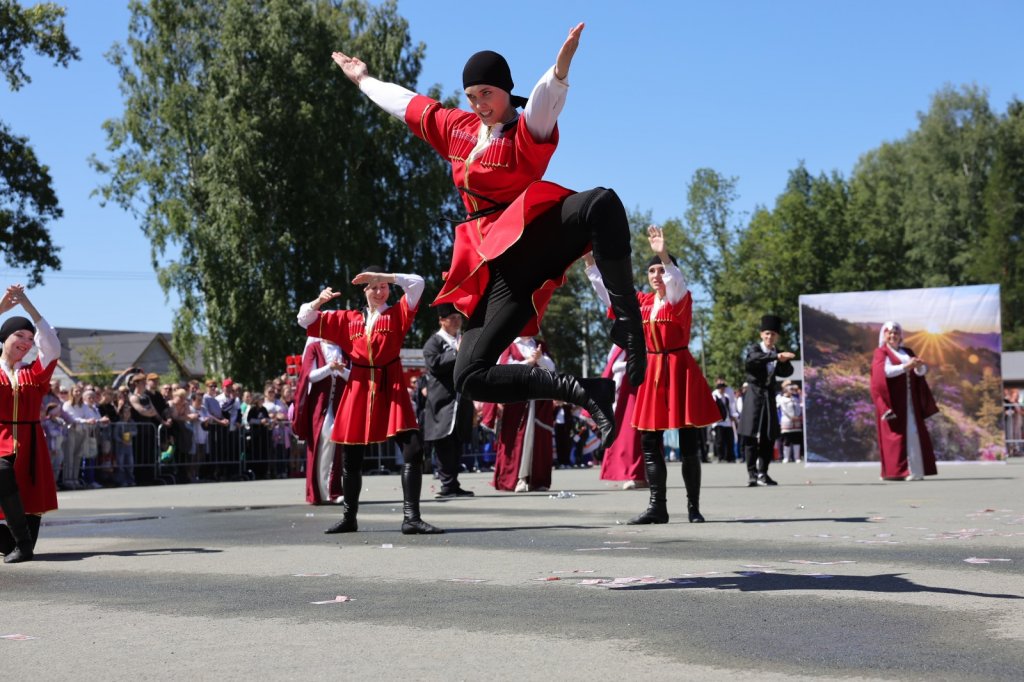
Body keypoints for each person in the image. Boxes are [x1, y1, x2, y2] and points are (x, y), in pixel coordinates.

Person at [330, 23, 642, 448]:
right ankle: (585, 392)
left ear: (504, 91)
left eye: (487, 94)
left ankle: (628, 323)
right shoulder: (457, 128)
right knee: (469, 376)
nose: (479, 104)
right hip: (496, 265)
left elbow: (545, 101)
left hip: (533, 233)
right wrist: (363, 79)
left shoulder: (523, 131)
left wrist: (561, 67)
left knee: (601, 203)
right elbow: (405, 104)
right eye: (472, 96)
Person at [585, 226, 720, 523]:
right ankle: (657, 506)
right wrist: (591, 264)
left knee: (688, 439)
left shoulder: (679, 297)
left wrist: (663, 254)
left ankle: (693, 507)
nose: (656, 275)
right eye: (652, 272)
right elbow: (612, 296)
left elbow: (676, 282)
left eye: (660, 270)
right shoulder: (643, 303)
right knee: (648, 440)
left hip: (679, 367)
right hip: (653, 369)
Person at [297, 267, 441, 535]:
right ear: (364, 291)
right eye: (373, 287)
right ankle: (349, 517)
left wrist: (385, 276)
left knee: (412, 449)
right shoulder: (348, 319)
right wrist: (319, 301)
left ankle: (411, 517)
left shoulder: (398, 313)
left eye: (383, 286)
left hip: (391, 383)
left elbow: (418, 283)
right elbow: (304, 319)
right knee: (351, 457)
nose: (379, 291)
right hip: (359, 386)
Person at [0, 284, 60, 563]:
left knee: (29, 502)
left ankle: (22, 543)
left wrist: (28, 307)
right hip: (1, 439)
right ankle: (21, 542)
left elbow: (50, 344)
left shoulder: (34, 372)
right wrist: (2, 308)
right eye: (18, 335)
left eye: (29, 336)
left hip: (30, 442)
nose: (25, 341)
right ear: (4, 338)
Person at [870, 321, 939, 481]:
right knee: (894, 436)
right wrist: (907, 366)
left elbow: (920, 372)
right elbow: (884, 372)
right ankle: (894, 472)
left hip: (910, 400)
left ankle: (915, 470)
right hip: (893, 401)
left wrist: (920, 367)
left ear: (901, 335)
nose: (893, 336)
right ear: (884, 335)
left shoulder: (907, 351)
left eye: (896, 333)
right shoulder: (881, 353)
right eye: (890, 333)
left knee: (913, 432)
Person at [487, 337, 556, 493]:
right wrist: (528, 362)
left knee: (537, 437)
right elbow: (502, 369)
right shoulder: (510, 345)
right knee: (516, 439)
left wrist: (540, 359)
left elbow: (552, 369)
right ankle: (518, 478)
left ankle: (536, 479)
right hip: (516, 399)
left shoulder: (539, 345)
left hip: (538, 399)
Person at [421, 304, 475, 498]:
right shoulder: (434, 342)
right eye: (451, 318)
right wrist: (456, 352)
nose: (456, 321)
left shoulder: (463, 340)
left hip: (461, 399)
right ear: (441, 321)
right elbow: (434, 364)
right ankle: (446, 483)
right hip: (442, 401)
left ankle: (454, 482)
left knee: (458, 440)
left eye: (458, 317)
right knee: (443, 441)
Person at [738, 315, 795, 487]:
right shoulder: (755, 349)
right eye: (767, 334)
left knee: (768, 436)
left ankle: (763, 472)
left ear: (777, 337)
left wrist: (784, 360)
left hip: (769, 396)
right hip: (754, 395)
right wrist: (776, 357)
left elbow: (787, 372)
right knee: (749, 435)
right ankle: (751, 473)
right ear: (762, 334)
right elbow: (753, 361)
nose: (770, 337)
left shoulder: (778, 352)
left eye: (773, 335)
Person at [291, 336, 347, 505]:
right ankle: (320, 491)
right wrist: (330, 368)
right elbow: (310, 375)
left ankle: (332, 490)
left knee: (335, 446)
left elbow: (353, 376)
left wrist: (341, 370)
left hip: (339, 404)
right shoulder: (314, 347)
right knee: (323, 442)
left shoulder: (344, 348)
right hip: (320, 405)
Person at [597, 344, 645, 490]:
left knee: (635, 433)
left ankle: (638, 475)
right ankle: (631, 473)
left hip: (636, 387)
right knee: (624, 435)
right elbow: (612, 367)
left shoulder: (640, 338)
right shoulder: (618, 345)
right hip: (621, 390)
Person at [711, 378, 739, 463]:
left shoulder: (726, 397)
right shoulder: (714, 396)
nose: (722, 389)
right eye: (720, 387)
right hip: (718, 422)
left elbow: (729, 408)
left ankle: (730, 457)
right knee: (720, 441)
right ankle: (721, 457)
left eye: (723, 387)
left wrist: (732, 416)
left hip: (727, 422)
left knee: (729, 440)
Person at [778, 380, 804, 463]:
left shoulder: (795, 399)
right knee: (787, 439)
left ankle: (797, 457)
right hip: (787, 421)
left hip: (796, 421)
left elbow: (798, 408)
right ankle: (786, 457)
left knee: (796, 438)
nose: (791, 390)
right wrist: (791, 417)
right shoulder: (782, 399)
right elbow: (784, 409)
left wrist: (797, 416)